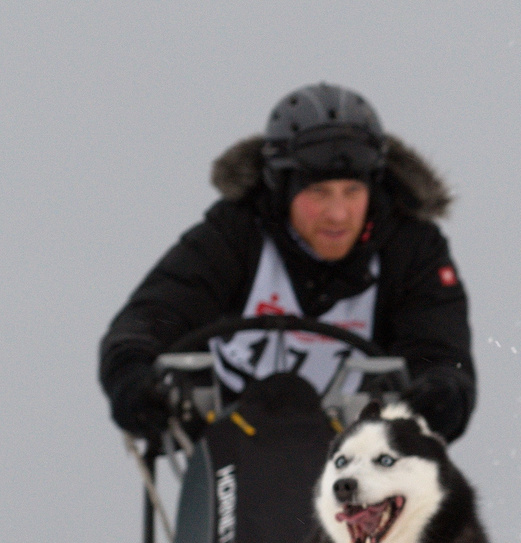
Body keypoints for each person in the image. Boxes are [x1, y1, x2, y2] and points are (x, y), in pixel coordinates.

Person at [101, 83, 476, 442]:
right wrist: (133, 379)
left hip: (357, 456)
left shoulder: (409, 249)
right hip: (229, 448)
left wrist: (443, 393)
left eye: (353, 191)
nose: (338, 214)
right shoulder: (235, 235)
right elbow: (149, 320)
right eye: (318, 191)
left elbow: (441, 353)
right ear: (282, 188)